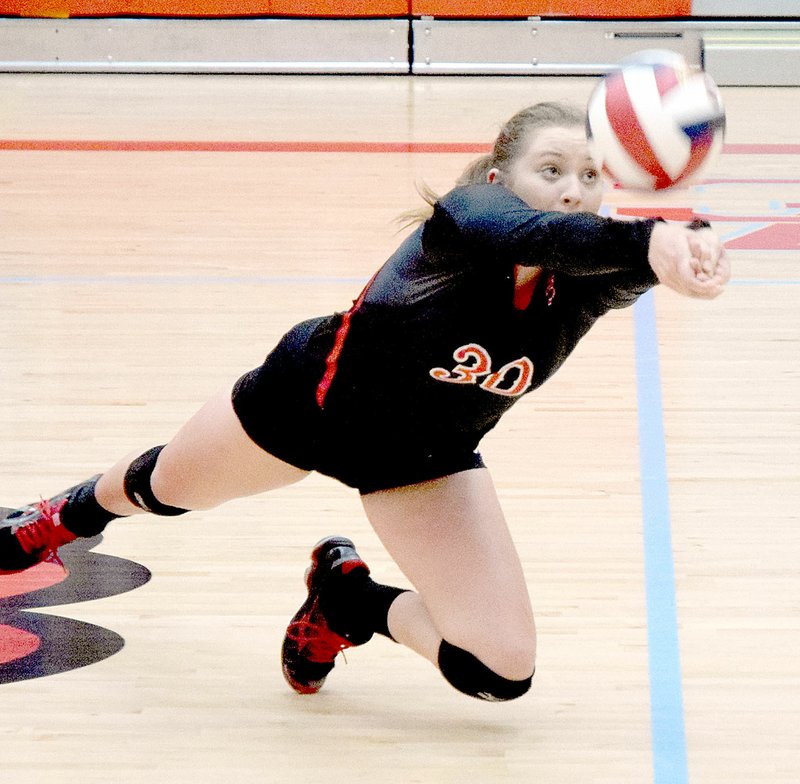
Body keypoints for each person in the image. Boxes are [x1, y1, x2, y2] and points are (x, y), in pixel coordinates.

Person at [0, 102, 729, 701]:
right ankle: (60, 518)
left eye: (591, 176)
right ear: (503, 177)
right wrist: (649, 241)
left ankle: (348, 602)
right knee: (162, 491)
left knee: (499, 671)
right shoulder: (466, 220)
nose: (574, 189)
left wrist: (688, 250)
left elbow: (631, 256)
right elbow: (535, 231)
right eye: (551, 170)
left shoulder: (586, 279)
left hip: (423, 459)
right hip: (303, 409)